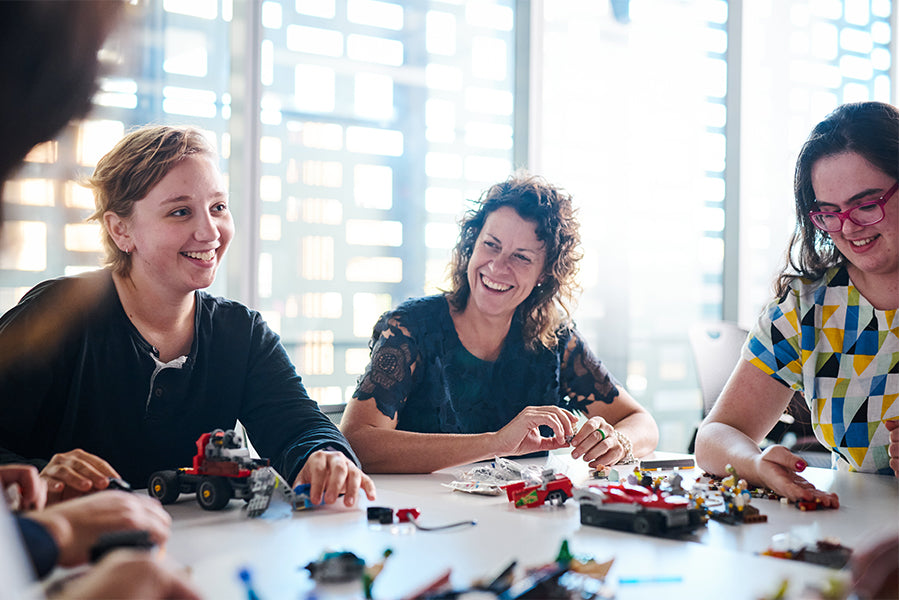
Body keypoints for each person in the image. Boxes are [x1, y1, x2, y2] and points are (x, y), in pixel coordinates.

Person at [0, 124, 376, 510]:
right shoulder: (58, 314)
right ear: (120, 230)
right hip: (53, 555)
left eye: (218, 207)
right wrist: (38, 471)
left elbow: (299, 426)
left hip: (189, 554)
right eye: (180, 212)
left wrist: (325, 456)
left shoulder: (242, 334)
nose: (210, 231)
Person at [340, 172, 658, 473]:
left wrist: (618, 440)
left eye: (521, 257)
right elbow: (357, 441)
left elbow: (639, 421)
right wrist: (497, 443)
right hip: (423, 521)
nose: (497, 266)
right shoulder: (411, 326)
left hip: (522, 521)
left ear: (544, 274)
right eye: (491, 244)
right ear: (472, 243)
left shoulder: (555, 340)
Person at [695, 101, 899, 505]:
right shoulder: (808, 307)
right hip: (857, 535)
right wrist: (755, 464)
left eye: (867, 205)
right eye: (828, 213)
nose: (847, 227)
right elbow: (714, 436)